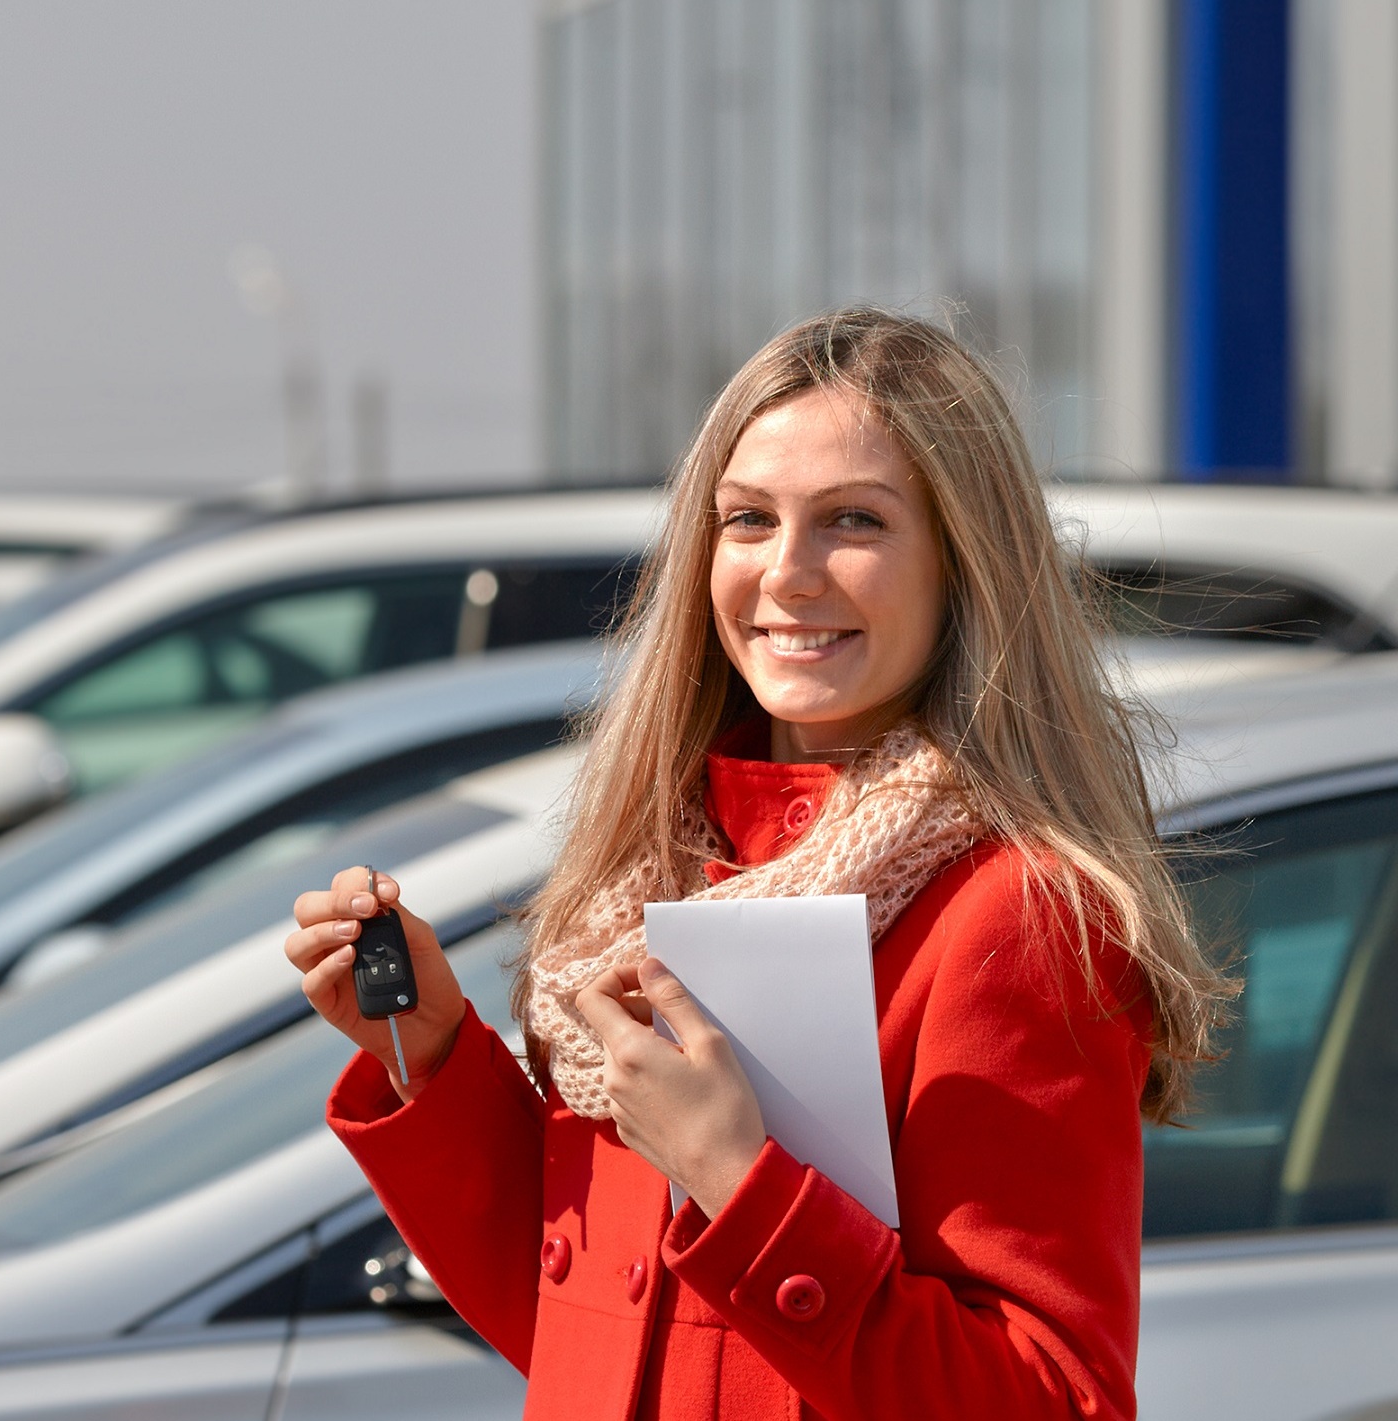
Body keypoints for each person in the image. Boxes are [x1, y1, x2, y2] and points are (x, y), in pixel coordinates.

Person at [284, 308, 1230, 1420]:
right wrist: (434, 1054)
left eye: (853, 520)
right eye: (748, 519)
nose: (787, 572)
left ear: (965, 561)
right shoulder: (649, 873)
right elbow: (587, 1342)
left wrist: (740, 1181)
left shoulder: (1014, 912)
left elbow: (1052, 1402)